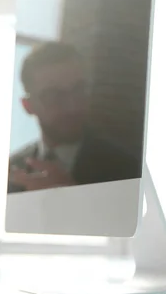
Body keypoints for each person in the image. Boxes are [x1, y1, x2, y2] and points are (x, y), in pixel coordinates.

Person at [8, 41, 141, 193]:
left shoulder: (127, 169)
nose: (72, 106)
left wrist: (73, 197)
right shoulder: (9, 171)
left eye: (79, 90)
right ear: (28, 106)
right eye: (53, 96)